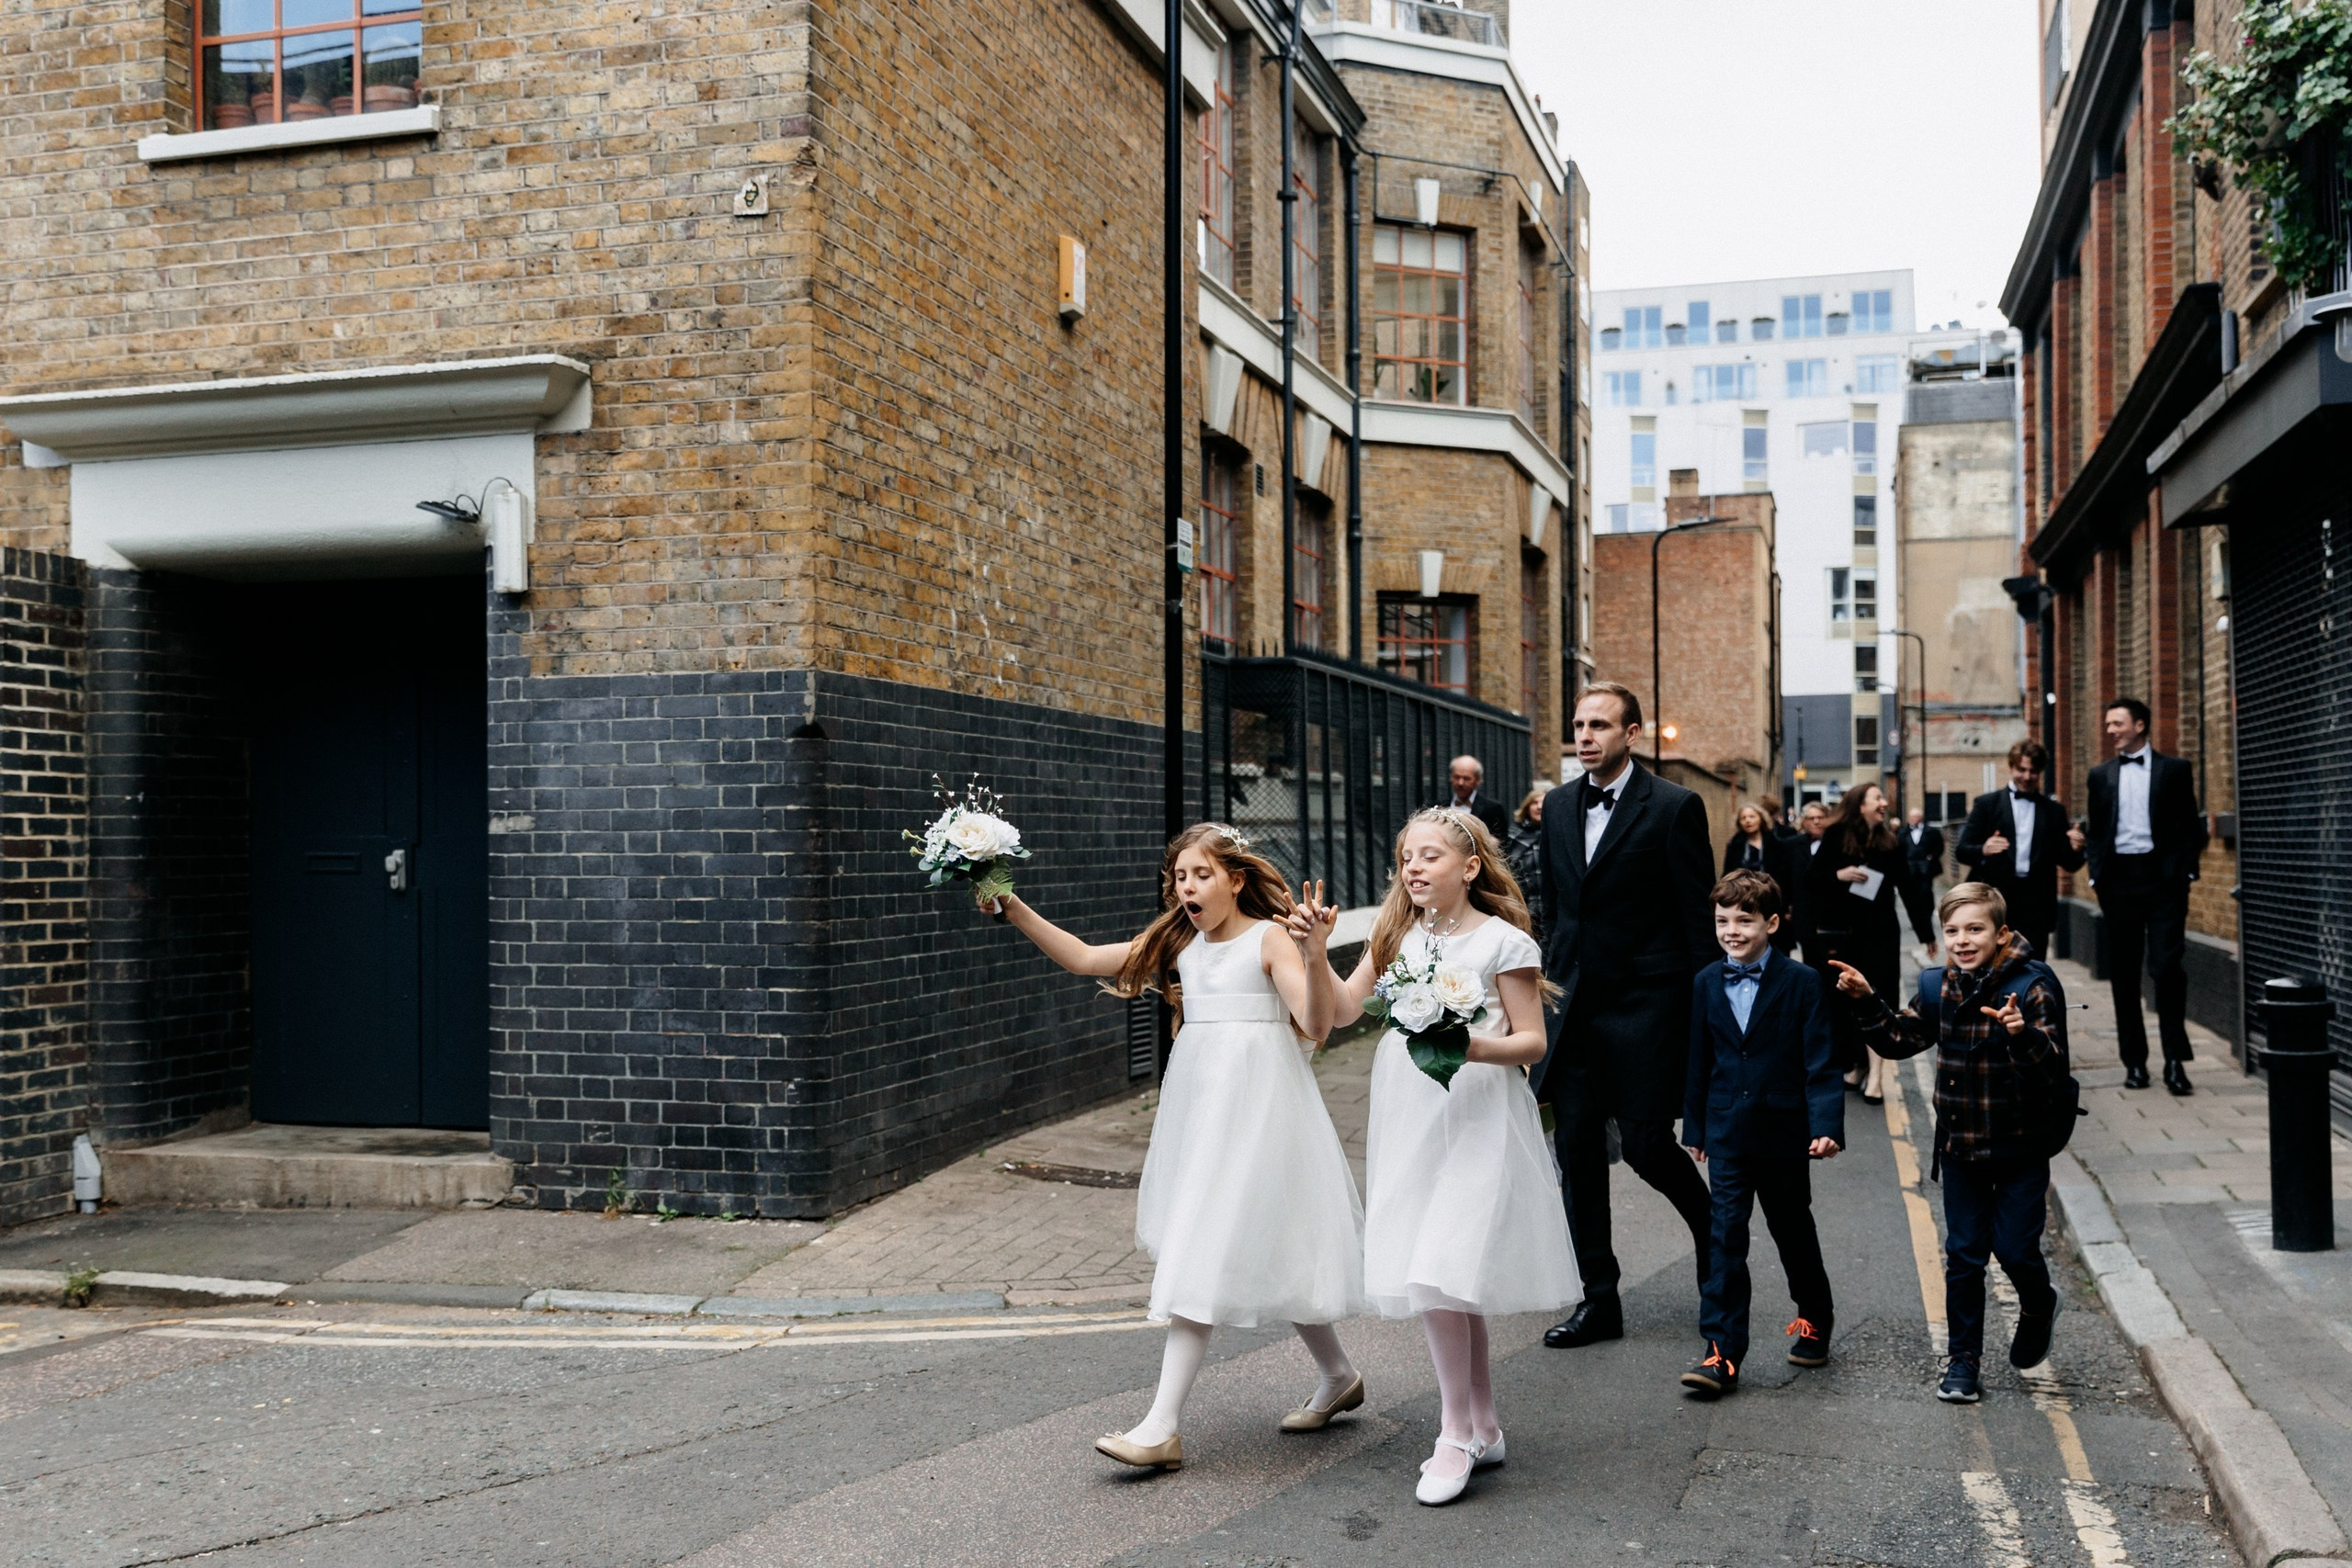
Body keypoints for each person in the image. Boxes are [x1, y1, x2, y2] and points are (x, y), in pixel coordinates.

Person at [983, 823, 1363, 1470]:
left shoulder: (1269, 939)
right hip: (1202, 1120)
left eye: (1202, 874)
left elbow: (1317, 1023)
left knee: (1202, 1246)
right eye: (1181, 876)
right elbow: (1082, 957)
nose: (1188, 886)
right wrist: (1010, 905)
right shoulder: (1180, 943)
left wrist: (1316, 953)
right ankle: (1339, 1374)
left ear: (1236, 879)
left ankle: (1161, 1426)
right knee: (1275, 1244)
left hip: (1264, 1117)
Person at [1292, 808, 1578, 1506]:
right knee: (1443, 1273)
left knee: (1441, 1269)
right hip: (1411, 1114)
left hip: (1478, 1114)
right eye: (1406, 858)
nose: (1413, 868)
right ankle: (1482, 1422)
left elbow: (1533, 1041)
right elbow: (1340, 1013)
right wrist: (1315, 951)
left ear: (1470, 866)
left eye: (1429, 856)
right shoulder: (1395, 934)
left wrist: (1466, 1042)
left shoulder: (1504, 942)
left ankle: (1454, 1433)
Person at [1830, 883, 2072, 1404]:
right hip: (1960, 1147)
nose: (1963, 940)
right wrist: (1867, 1000)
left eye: (1975, 929)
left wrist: (2020, 1032)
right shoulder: (1941, 985)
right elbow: (1899, 1040)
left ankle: (2037, 1302)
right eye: (1953, 931)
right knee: (1963, 1256)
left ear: (2001, 933)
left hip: (2021, 1147)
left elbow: (2052, 1069)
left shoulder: (2034, 987)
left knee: (2014, 1249)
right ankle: (1964, 1362)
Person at [1533, 682, 1718, 1349]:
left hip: (1648, 1009)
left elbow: (1700, 923)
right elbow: (1557, 911)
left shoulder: (1673, 807)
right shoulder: (1555, 807)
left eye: (1601, 725)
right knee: (1577, 1152)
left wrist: (1709, 1022)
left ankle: (1715, 1244)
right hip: (1576, 1012)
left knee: (1645, 1145)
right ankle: (1599, 1299)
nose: (1586, 736)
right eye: (1579, 724)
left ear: (1633, 733)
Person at [1678, 870, 1843, 1399]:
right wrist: (1697, 1126)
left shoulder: (1802, 982)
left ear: (1772, 923)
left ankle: (1814, 1319)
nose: (1731, 930)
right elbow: (1699, 1062)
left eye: (1743, 921)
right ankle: (1721, 1353)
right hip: (1727, 1131)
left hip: (1785, 1132)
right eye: (1722, 920)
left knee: (1792, 1230)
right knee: (1724, 1237)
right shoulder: (1706, 982)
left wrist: (1826, 1126)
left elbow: (1820, 1060)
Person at [2079, 698, 2208, 1095]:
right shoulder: (2100, 776)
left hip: (2164, 882)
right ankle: (2134, 1063)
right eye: (2108, 724)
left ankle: (2174, 1061)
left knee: (2167, 968)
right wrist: (2097, 876)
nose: (2110, 730)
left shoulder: (2175, 770)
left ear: (2140, 725)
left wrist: (2185, 871)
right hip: (2119, 884)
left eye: (2117, 723)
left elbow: (2191, 825)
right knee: (2124, 974)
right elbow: (2096, 830)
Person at [1804, 783, 1935, 1105]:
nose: (1883, 802)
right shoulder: (1835, 837)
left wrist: (1927, 934)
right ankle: (1858, 1065)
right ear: (1859, 805)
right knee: (1846, 1002)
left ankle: (1876, 1075)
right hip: (1844, 936)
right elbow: (1810, 881)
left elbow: (1908, 888)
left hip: (1880, 935)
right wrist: (1840, 875)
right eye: (1876, 797)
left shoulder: (1891, 843)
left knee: (1878, 999)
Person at [1953, 739, 2083, 967]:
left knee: (2031, 972)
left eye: (2033, 771)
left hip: (2037, 906)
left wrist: (2079, 847)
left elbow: (2069, 863)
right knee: (1991, 970)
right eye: (2021, 769)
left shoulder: (2054, 811)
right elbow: (1962, 851)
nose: (2026, 776)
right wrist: (1983, 849)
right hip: (1995, 903)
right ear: (2011, 767)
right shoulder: (1987, 804)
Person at [1899, 806, 1946, 954]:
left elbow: (1940, 846)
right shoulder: (1903, 833)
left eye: (1915, 817)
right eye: (1910, 817)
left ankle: (1927, 914)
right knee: (1913, 895)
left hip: (1926, 867)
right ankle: (1920, 920)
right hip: (1910, 868)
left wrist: (1932, 856)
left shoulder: (1931, 832)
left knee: (1926, 891)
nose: (1912, 819)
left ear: (1920, 818)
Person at [1507, 783, 1551, 935]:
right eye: (1534, 802)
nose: (1539, 807)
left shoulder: (1558, 833)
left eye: (1543, 803)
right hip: (1524, 908)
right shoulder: (1514, 834)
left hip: (1552, 909)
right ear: (1527, 807)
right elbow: (1508, 871)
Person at [1441, 754, 1512, 842]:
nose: (1460, 783)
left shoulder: (1493, 809)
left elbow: (1502, 844)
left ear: (1477, 780)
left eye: (1466, 778)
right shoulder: (1438, 807)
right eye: (1456, 777)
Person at [1723, 803, 1770, 874]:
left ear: (1761, 819)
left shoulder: (1774, 843)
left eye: (1752, 817)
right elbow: (1728, 872)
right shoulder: (1734, 845)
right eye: (1743, 818)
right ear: (1739, 822)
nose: (1747, 820)